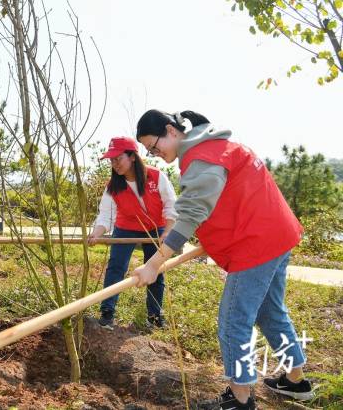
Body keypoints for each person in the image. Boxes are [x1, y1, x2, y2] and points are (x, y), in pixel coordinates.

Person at [132, 110, 314, 409]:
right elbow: (224, 200)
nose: (154, 154)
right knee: (270, 313)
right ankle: (296, 381)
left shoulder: (202, 157)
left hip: (256, 245)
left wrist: (154, 264)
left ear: (171, 131)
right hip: (278, 235)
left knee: (233, 323)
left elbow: (192, 212)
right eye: (149, 151)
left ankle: (240, 400)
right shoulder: (217, 146)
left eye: (154, 146)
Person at [89, 136, 177, 330]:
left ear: (133, 157)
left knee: (156, 269)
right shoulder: (113, 186)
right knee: (116, 268)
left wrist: (169, 231)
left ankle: (154, 316)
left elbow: (171, 205)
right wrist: (97, 233)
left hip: (156, 228)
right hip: (125, 227)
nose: (114, 164)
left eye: (118, 159)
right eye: (111, 160)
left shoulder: (156, 177)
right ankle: (107, 312)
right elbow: (105, 216)